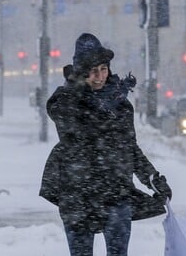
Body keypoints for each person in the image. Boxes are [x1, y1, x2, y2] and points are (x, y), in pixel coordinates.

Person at [39, 33, 172, 256]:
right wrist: (78, 88)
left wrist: (153, 180)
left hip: (115, 192)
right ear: (81, 73)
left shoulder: (120, 104)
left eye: (103, 68)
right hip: (77, 195)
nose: (99, 76)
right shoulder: (65, 101)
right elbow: (64, 118)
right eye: (91, 71)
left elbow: (130, 148)